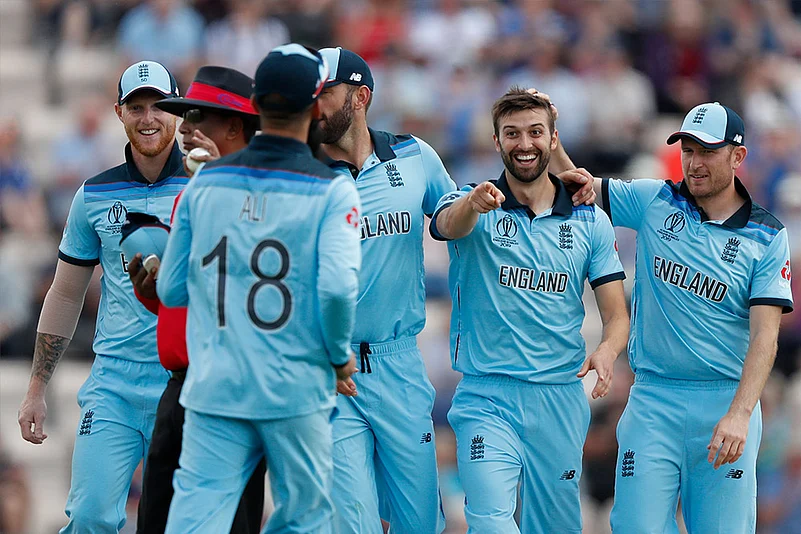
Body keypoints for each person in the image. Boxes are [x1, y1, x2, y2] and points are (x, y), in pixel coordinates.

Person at [156, 44, 361, 533]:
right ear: (316, 108)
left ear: (255, 106)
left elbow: (171, 289)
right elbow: (336, 290)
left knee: (196, 519)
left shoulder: (204, 183)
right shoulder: (334, 189)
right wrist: (337, 356)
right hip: (295, 388)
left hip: (216, 386)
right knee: (304, 518)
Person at [570, 101, 794, 532]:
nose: (694, 163)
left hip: (724, 401)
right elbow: (578, 185)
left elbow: (765, 337)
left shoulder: (767, 236)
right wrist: (549, 136)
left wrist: (740, 414)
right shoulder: (657, 200)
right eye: (688, 150)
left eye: (707, 151)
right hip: (653, 399)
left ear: (738, 156)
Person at [429, 87, 630, 532]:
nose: (525, 143)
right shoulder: (474, 201)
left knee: (557, 526)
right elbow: (446, 224)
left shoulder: (589, 219)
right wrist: (472, 204)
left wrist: (607, 349)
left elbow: (617, 315)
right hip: (487, 396)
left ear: (553, 139)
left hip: (559, 397)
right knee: (490, 520)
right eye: (512, 133)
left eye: (536, 132)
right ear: (496, 141)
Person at [17, 60, 186, 533]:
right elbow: (65, 294)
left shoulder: (207, 186)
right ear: (119, 113)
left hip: (185, 378)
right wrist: (36, 389)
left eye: (159, 106)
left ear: (179, 111)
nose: (148, 117)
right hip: (114, 383)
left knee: (180, 523)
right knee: (89, 517)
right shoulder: (94, 195)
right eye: (136, 107)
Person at [315, 46, 455, 533]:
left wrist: (474, 206)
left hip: (399, 363)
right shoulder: (300, 173)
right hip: (329, 370)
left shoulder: (415, 155)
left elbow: (451, 217)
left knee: (421, 524)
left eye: (325, 93)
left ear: (360, 97)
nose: (314, 105)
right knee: (353, 524)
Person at [127, 65, 265, 534]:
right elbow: (190, 294)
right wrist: (154, 294)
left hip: (232, 388)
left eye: (197, 116)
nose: (184, 129)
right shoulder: (194, 191)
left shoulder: (264, 193)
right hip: (181, 384)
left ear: (235, 126)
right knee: (156, 521)